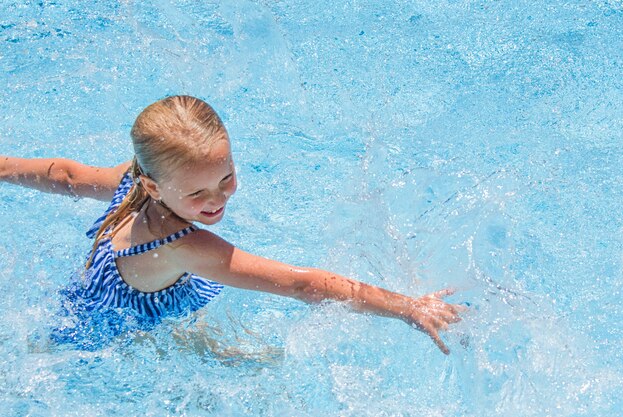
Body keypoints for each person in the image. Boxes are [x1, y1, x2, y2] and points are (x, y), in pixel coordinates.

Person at [0, 95, 464, 354]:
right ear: (156, 187)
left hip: (80, 301)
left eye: (226, 178)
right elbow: (304, 286)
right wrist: (407, 307)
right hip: (122, 335)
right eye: (198, 193)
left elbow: (64, 176)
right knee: (257, 368)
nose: (218, 199)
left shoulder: (135, 179)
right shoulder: (183, 246)